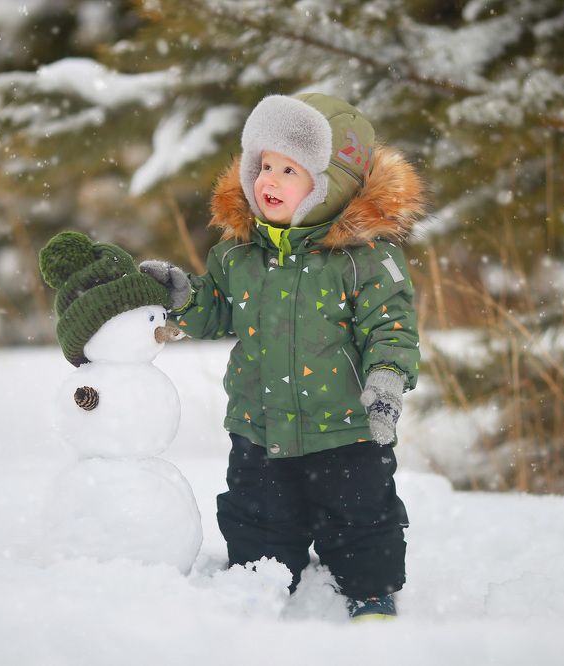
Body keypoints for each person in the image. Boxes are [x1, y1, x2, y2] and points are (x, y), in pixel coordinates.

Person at [140, 93, 424, 620]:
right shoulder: (239, 254)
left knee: (361, 519)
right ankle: (259, 592)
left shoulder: (365, 260)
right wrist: (183, 298)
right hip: (260, 426)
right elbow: (219, 310)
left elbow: (392, 327)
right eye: (264, 164)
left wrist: (386, 379)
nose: (268, 179)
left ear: (331, 183)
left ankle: (371, 596)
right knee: (258, 522)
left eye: (289, 169)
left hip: (347, 430)